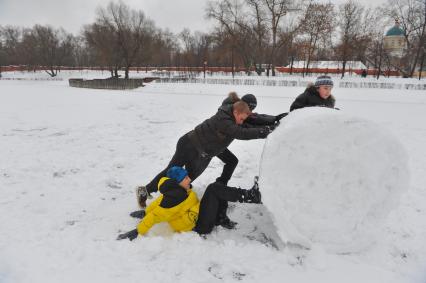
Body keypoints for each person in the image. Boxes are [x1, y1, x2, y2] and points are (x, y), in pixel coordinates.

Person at [136, 100, 272, 210]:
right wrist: (263, 132)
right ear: (236, 112)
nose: (242, 122)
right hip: (188, 144)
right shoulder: (224, 119)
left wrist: (274, 122)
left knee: (186, 180)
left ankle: (170, 202)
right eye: (241, 119)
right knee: (169, 172)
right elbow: (240, 133)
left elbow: (253, 122)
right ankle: (145, 191)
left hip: (202, 153)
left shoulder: (235, 117)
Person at [117, 166, 261, 240]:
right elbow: (154, 215)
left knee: (218, 185)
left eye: (187, 177)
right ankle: (250, 196)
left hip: (199, 214)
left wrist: (144, 211)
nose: (189, 179)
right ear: (177, 182)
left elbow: (156, 202)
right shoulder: (172, 200)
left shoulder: (176, 191)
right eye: (185, 178)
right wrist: (137, 231)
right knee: (214, 189)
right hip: (198, 225)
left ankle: (221, 217)